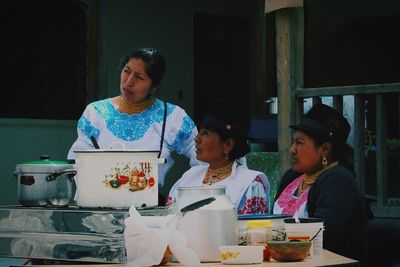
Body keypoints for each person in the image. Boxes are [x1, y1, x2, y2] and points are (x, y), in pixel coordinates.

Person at [67, 48, 199, 189]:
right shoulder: (95, 113)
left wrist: (181, 191)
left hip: (148, 207)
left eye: (139, 77)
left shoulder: (173, 117)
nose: (128, 82)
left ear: (154, 87)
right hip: (100, 205)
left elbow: (204, 156)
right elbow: (76, 159)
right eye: (126, 71)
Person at [273, 103, 367, 264]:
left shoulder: (338, 180)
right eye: (293, 142)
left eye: (299, 143)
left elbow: (324, 237)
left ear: (324, 149)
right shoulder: (292, 177)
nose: (292, 149)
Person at [167, 99, 270, 215]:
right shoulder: (189, 177)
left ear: (227, 145)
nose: (196, 139)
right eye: (200, 132)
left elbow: (252, 230)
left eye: (205, 133)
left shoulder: (249, 184)